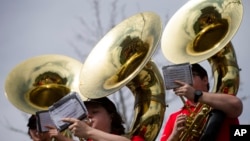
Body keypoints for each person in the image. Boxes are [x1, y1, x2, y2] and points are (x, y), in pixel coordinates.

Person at [160, 63, 243, 141]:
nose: (185, 83)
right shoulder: (174, 117)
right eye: (183, 79)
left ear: (205, 79)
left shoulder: (221, 102)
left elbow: (237, 105)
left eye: (190, 77)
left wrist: (196, 94)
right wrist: (174, 135)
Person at [62, 97, 145, 141]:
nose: (88, 116)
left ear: (111, 116)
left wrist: (88, 131)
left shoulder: (133, 139)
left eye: (94, 112)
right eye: (85, 113)